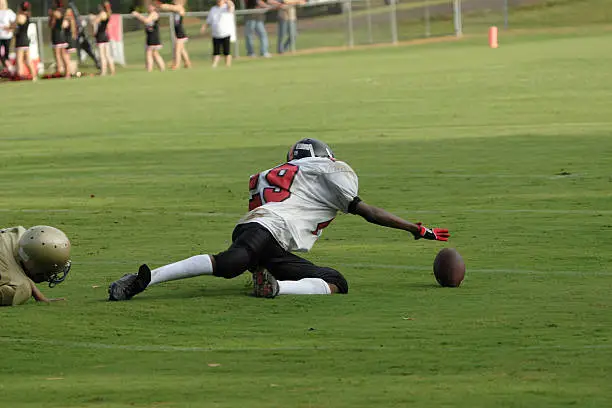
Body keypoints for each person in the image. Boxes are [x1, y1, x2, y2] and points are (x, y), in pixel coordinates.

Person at [108, 138, 450, 301]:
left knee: (335, 281)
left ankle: (274, 286)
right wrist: (414, 228)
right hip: (266, 228)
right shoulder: (327, 170)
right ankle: (144, 280)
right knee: (231, 263)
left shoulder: (275, 173)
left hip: (267, 235)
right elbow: (368, 211)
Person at [0, 226, 71, 306]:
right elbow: (18, 277)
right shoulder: (15, 285)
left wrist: (39, 297)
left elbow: (20, 271)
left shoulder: (20, 236)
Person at [157, 0, 191, 70]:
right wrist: (160, 6)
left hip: (181, 33)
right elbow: (167, 8)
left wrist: (161, 5)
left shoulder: (180, 8)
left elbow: (169, 7)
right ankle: (187, 63)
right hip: (177, 33)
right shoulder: (175, 9)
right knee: (182, 49)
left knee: (177, 49)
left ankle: (176, 65)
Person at [200, 0, 235, 68]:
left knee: (226, 51)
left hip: (226, 33)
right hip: (216, 34)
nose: (218, 1)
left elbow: (231, 7)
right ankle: (214, 65)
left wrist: (226, 1)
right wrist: (204, 27)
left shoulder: (227, 7)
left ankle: (227, 65)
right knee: (216, 52)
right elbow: (209, 20)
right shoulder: (213, 9)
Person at [132, 3, 165, 72]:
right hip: (150, 36)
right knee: (155, 54)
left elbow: (146, 21)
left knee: (149, 52)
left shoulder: (154, 13)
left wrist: (137, 14)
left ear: (154, 7)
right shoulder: (150, 14)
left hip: (153, 36)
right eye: (149, 6)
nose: (149, 7)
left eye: (151, 6)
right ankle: (162, 69)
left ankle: (149, 69)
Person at [11, 1, 36, 80]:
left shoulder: (19, 16)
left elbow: (13, 26)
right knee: (28, 60)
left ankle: (20, 76)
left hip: (20, 40)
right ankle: (34, 76)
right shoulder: (28, 15)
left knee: (19, 60)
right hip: (25, 40)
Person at [89, 1, 115, 75]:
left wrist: (92, 19)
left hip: (100, 36)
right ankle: (112, 71)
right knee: (108, 55)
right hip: (105, 35)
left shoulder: (102, 13)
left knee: (102, 55)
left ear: (102, 6)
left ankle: (103, 71)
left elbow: (95, 22)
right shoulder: (108, 13)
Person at [48, 0, 71, 77]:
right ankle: (67, 73)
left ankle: (60, 70)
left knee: (58, 55)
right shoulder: (64, 11)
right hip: (63, 35)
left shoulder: (54, 13)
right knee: (64, 54)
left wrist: (51, 15)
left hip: (56, 35)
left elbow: (51, 25)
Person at [0, 0, 16, 73]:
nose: (1, 4)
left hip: (7, 36)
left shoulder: (9, 12)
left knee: (6, 54)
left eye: (2, 3)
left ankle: (8, 69)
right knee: (1, 54)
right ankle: (7, 67)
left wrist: (10, 29)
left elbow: (14, 22)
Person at [63, 6, 77, 74]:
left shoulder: (67, 20)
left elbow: (63, 26)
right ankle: (73, 72)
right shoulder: (73, 20)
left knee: (66, 58)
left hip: (67, 40)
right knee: (70, 58)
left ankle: (68, 73)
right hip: (72, 40)